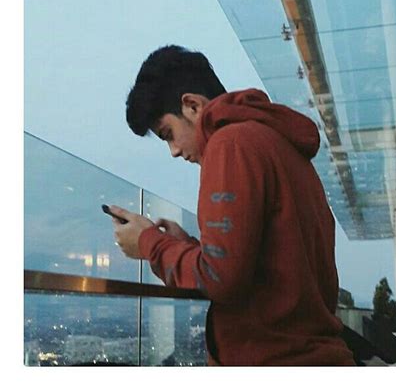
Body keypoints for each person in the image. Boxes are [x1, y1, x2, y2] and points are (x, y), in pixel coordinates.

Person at [110, 45, 356, 366]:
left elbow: (221, 280)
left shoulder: (230, 144)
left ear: (193, 106)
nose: (173, 151)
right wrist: (187, 247)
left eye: (168, 134)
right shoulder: (276, 143)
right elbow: (260, 268)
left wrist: (149, 243)